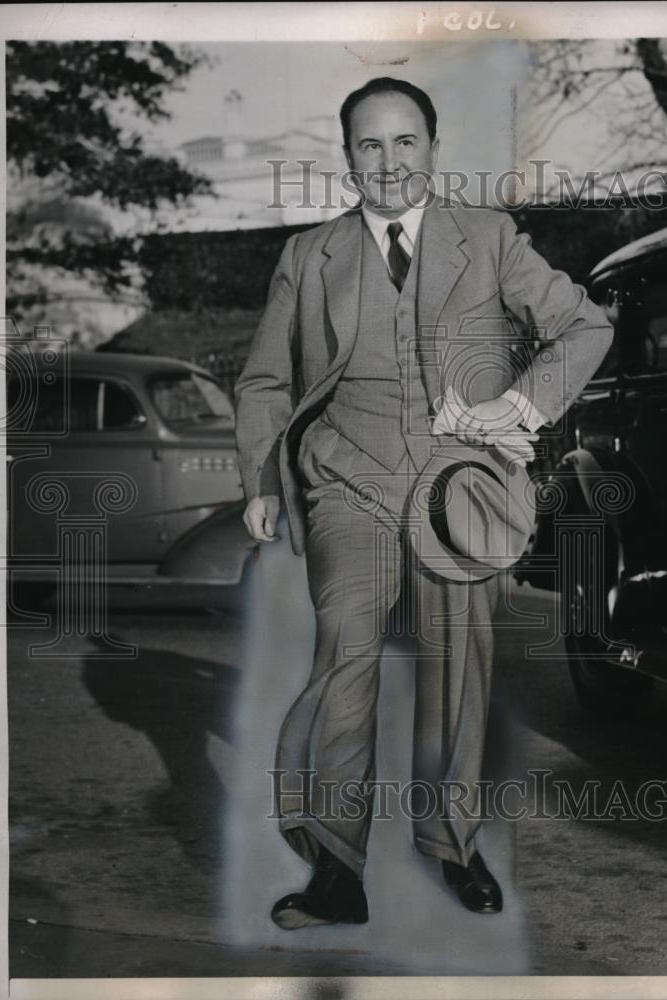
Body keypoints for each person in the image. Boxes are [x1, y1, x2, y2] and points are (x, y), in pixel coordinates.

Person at [234, 77, 613, 929]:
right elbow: (263, 379)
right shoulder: (307, 255)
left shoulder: (488, 237)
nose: (389, 162)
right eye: (370, 145)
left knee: (460, 665)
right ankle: (336, 865)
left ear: (433, 150)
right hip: (348, 477)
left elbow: (586, 325)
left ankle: (450, 843)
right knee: (346, 651)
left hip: (457, 485)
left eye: (405, 142)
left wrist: (517, 410)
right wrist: (261, 479)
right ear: (347, 159)